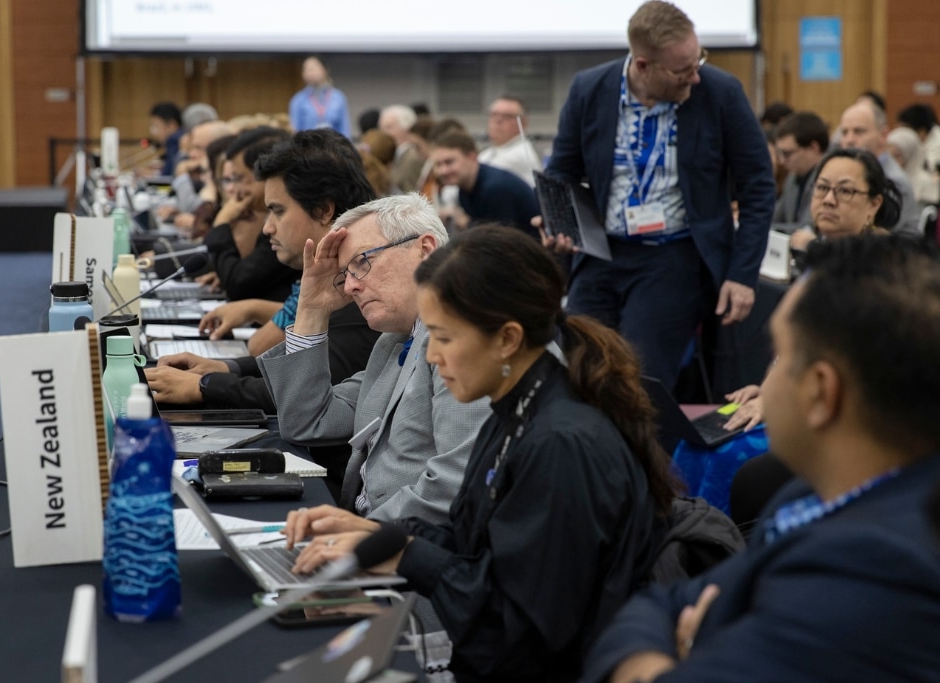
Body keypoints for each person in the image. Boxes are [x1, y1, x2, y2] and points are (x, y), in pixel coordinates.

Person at [283, 225, 678, 683]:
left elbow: (519, 626)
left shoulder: (560, 444)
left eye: (443, 339)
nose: (432, 358)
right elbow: (473, 542)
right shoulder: (518, 408)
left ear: (507, 339)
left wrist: (405, 557)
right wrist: (375, 539)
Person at [584, 234, 940, 683]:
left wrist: (686, 644)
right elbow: (659, 606)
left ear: (821, 392)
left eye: (778, 357)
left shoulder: (875, 571)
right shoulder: (810, 492)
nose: (762, 383)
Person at [544, 0, 775, 390]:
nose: (695, 77)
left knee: (640, 383)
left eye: (697, 61)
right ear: (643, 66)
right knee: (577, 374)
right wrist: (559, 221)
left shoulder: (721, 93)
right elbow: (561, 171)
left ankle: (644, 453)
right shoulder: (590, 89)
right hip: (601, 255)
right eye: (682, 70)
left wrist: (742, 274)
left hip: (673, 258)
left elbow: (758, 186)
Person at [256, 193, 492, 524]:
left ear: (425, 250)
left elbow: (453, 487)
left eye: (362, 262)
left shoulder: (466, 339)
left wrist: (359, 535)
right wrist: (312, 308)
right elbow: (308, 421)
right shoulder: (394, 342)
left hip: (403, 546)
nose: (349, 287)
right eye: (345, 274)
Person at [145, 130, 380, 415]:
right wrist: (223, 368)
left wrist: (204, 386)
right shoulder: (335, 271)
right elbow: (291, 361)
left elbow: (299, 390)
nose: (268, 227)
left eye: (278, 211)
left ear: (323, 210)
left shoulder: (363, 283)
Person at [727, 147, 903, 430]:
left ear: (874, 204)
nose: (829, 200)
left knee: (736, 465)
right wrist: (766, 391)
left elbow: (844, 364)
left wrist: (776, 399)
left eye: (845, 192)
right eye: (822, 188)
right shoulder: (821, 259)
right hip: (807, 404)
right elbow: (795, 348)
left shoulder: (879, 269)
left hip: (857, 423)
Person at [202, 127, 298, 302]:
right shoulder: (266, 218)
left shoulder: (292, 221)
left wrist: (222, 223)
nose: (235, 191)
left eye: (239, 178)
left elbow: (239, 284)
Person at [431, 129, 541, 239]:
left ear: (472, 157)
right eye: (438, 164)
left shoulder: (495, 188)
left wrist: (467, 223)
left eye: (449, 162)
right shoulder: (465, 188)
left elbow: (501, 240)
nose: (443, 171)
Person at [836, 100, 920, 239]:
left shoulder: (893, 180)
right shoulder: (850, 173)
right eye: (844, 133)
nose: (849, 140)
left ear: (884, 135)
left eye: (858, 131)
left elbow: (878, 236)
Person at [770, 111, 829, 234]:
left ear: (813, 148)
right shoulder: (792, 178)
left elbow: (809, 227)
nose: (781, 161)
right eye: (779, 153)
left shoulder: (829, 181)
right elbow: (775, 216)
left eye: (787, 154)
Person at [478, 95, 543, 186]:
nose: (498, 120)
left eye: (507, 116)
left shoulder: (520, 154)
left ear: (523, 123)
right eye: (494, 114)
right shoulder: (488, 153)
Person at [288, 56, 351, 138]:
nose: (310, 73)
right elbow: (295, 130)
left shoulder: (338, 97)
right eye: (306, 69)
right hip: (308, 147)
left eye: (313, 68)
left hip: (333, 146)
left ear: (325, 70)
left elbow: (344, 128)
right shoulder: (298, 100)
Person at [148, 101, 182, 177]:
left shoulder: (174, 140)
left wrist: (152, 175)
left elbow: (167, 176)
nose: (153, 133)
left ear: (171, 125)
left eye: (156, 127)